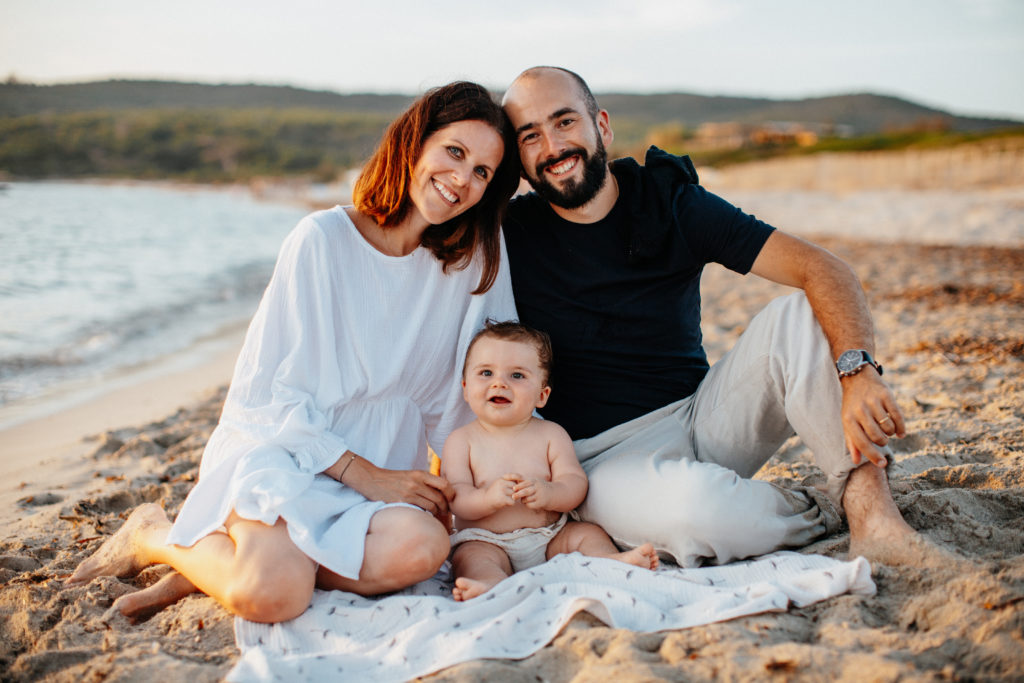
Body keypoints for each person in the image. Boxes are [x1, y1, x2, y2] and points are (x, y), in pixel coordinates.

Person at [66, 81, 522, 623]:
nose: (461, 180)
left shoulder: (470, 265)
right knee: (275, 598)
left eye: (482, 173)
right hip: (289, 452)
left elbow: (470, 395)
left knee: (425, 550)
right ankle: (159, 537)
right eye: (454, 152)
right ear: (415, 142)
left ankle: (223, 565)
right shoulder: (322, 238)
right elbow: (265, 396)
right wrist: (360, 472)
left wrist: (475, 487)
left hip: (386, 468)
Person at [499, 66, 923, 568]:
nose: (552, 145)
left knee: (802, 311)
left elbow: (823, 269)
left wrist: (858, 374)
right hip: (603, 460)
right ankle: (820, 508)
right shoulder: (509, 235)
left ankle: (873, 514)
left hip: (706, 415)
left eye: (564, 122)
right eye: (531, 136)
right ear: (520, 159)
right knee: (695, 515)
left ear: (602, 127)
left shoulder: (669, 200)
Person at [442, 320, 659, 601]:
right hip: (487, 539)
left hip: (550, 535)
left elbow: (574, 483)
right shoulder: (461, 441)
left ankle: (609, 561)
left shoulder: (550, 434)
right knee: (471, 557)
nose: (499, 383)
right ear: (465, 388)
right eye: (486, 373)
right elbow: (457, 498)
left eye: (517, 376)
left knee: (585, 533)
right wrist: (488, 498)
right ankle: (489, 583)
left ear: (542, 395)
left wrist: (549, 493)